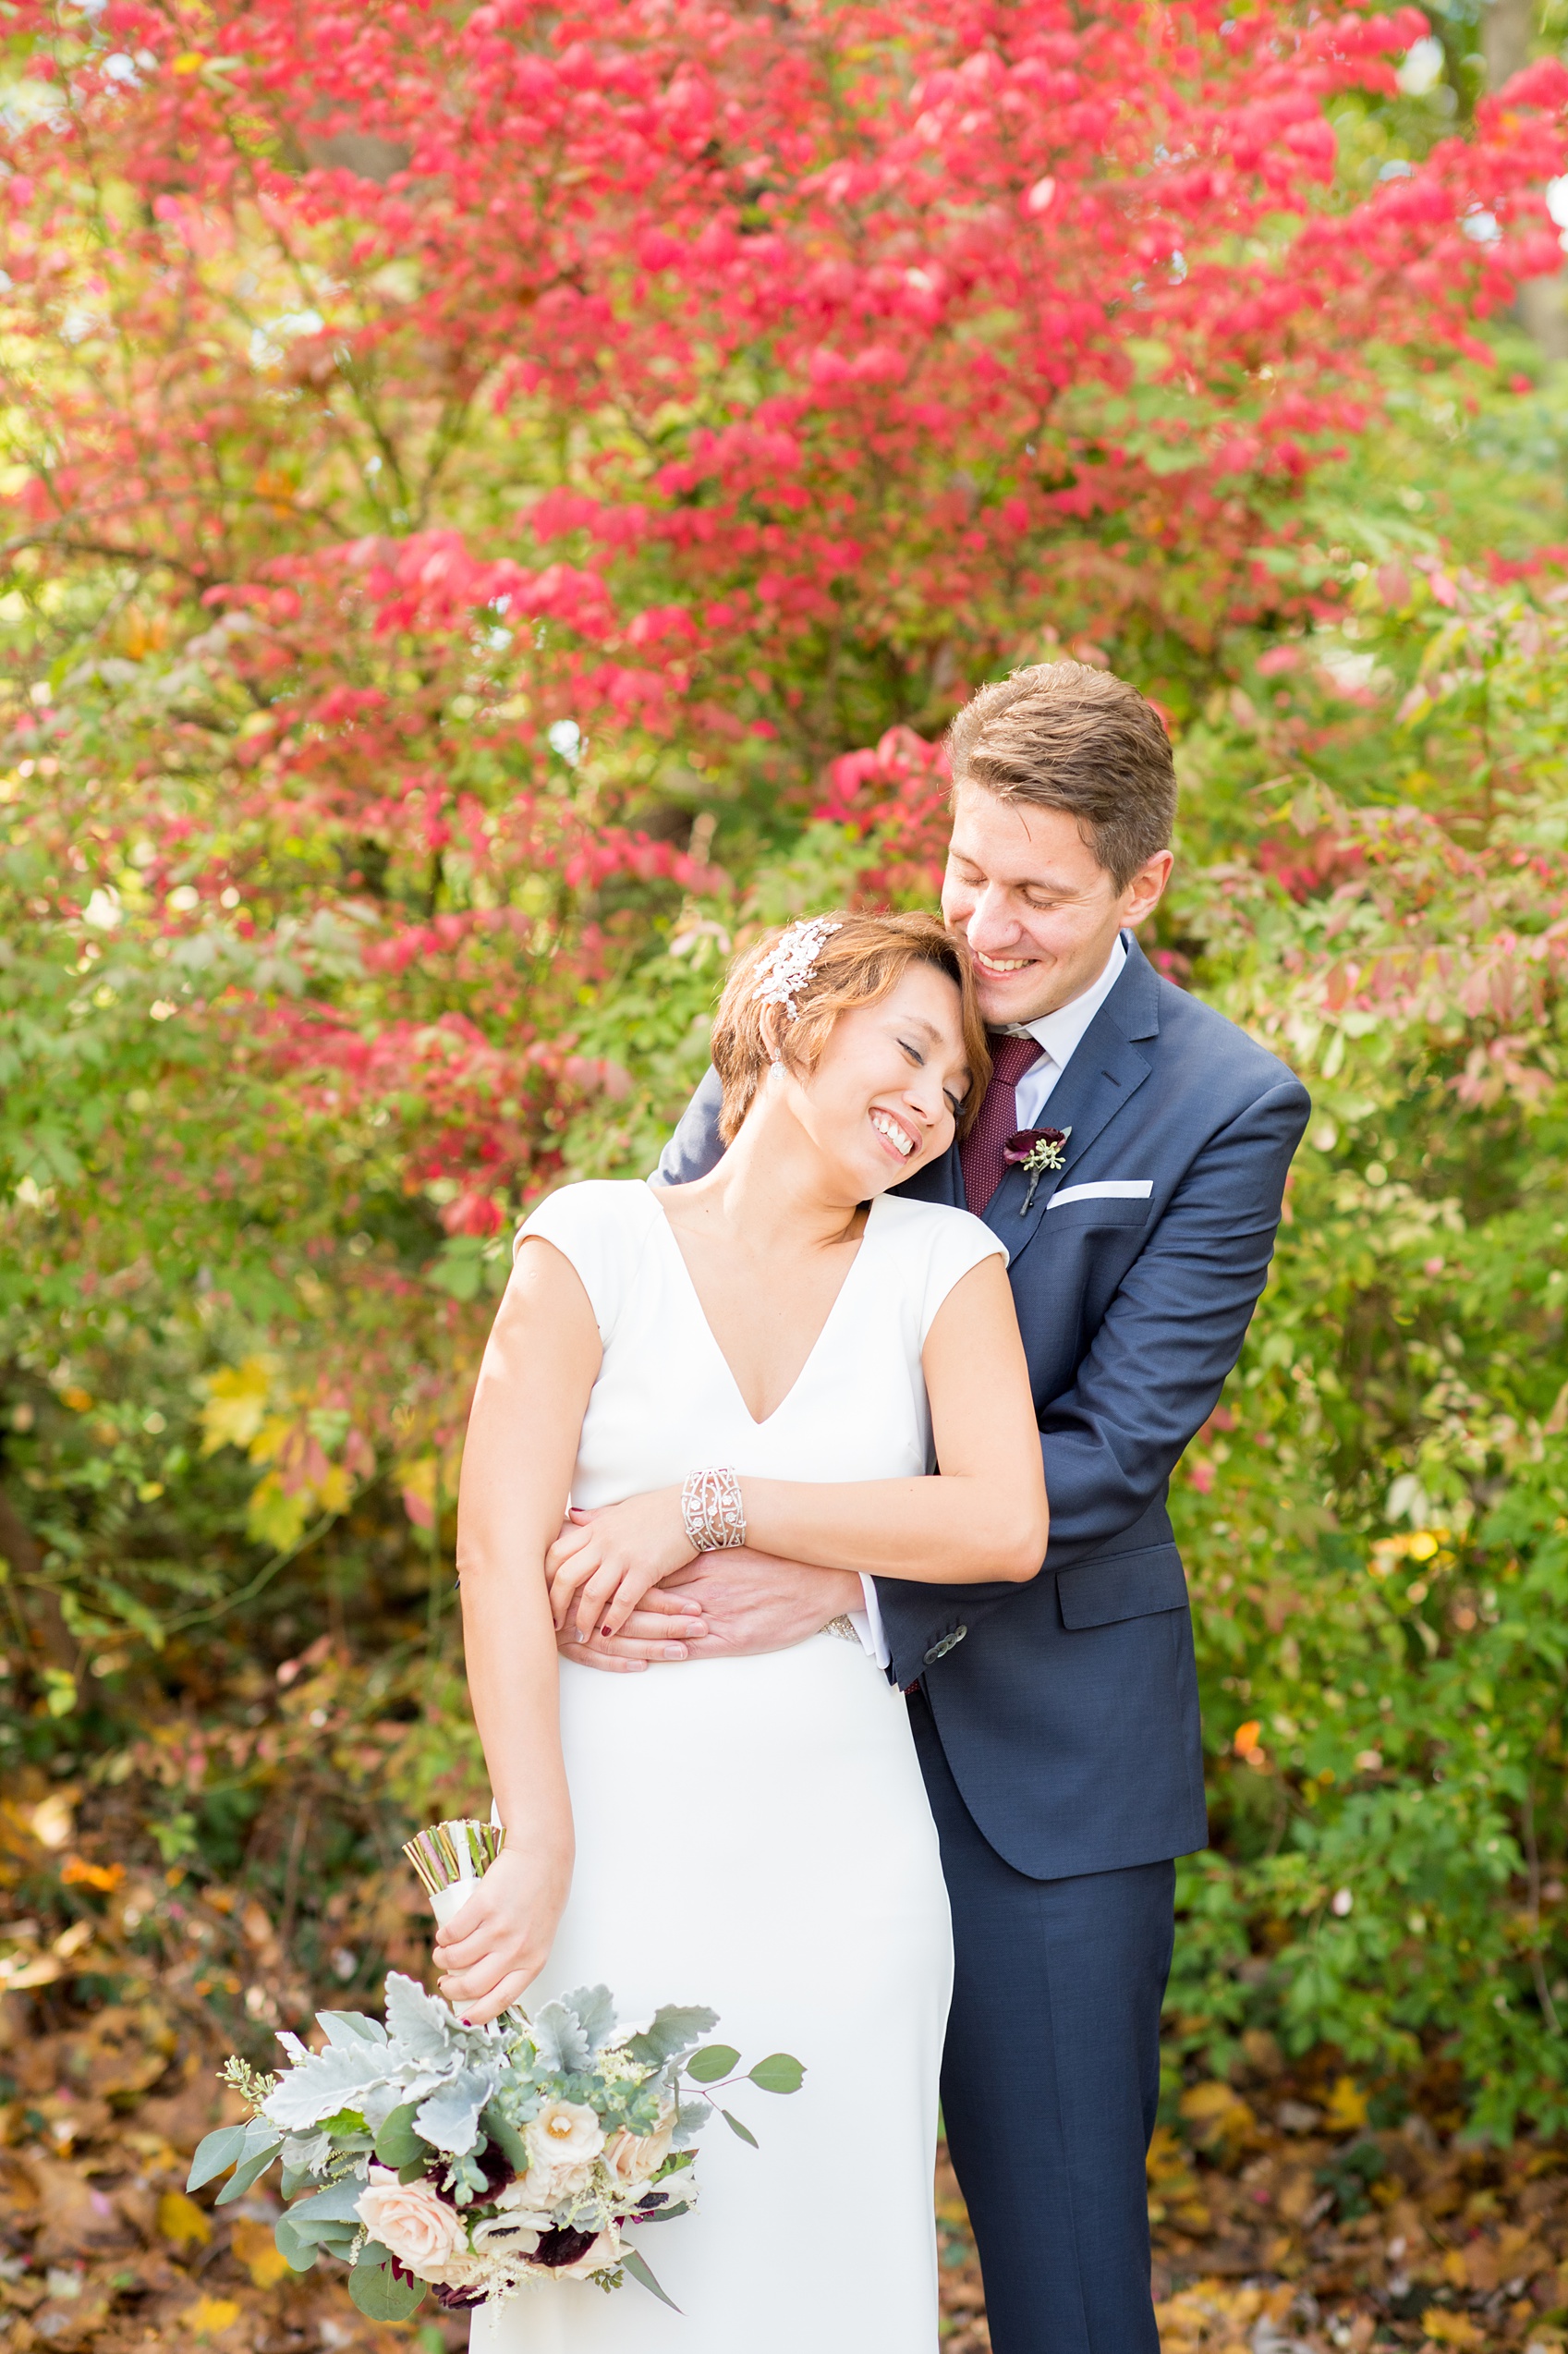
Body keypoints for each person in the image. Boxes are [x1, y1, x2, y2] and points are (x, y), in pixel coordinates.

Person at [573, 661, 1313, 2352]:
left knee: (1060, 2273)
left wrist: (832, 1576)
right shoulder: (849, 1003)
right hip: (740, 1738)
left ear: (1143, 887)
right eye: (967, 867)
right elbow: (679, 1298)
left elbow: (1116, 1451)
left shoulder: (1222, 1105)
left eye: (1039, 892)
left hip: (1042, 1765)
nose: (984, 922)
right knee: (721, 2229)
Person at [436, 909, 1049, 2352]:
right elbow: (492, 1555)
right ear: (793, 1016)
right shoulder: (590, 1238)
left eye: (954, 1089)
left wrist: (713, 1505)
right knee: (588, 2264)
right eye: (907, 1046)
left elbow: (1001, 1524)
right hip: (606, 1840)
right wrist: (537, 1844)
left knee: (822, 2264)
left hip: (845, 1864)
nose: (926, 1101)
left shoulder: (944, 1263)